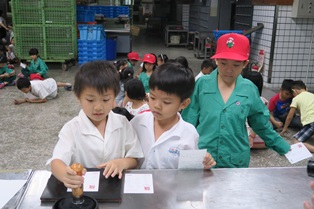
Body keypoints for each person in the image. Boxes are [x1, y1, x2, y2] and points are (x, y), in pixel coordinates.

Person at [181, 33, 290, 168]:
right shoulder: (202, 85)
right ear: (216, 60)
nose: (228, 70)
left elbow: (260, 124)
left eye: (236, 65)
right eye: (223, 63)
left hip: (236, 160)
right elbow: (187, 122)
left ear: (245, 63)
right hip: (204, 157)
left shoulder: (249, 90)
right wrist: (182, 154)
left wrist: (285, 147)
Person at [46, 61, 143, 189]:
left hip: (115, 189)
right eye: (90, 100)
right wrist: (65, 175)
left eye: (105, 99)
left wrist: (121, 163)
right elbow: (56, 162)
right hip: (84, 190)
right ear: (78, 96)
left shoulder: (122, 123)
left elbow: (134, 158)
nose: (98, 107)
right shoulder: (72, 128)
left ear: (115, 96)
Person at [131, 62, 216, 169]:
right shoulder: (137, 123)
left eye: (166, 102)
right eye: (152, 98)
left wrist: (203, 163)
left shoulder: (188, 134)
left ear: (183, 104)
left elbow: (190, 172)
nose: (157, 106)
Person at [280, 80, 314, 152]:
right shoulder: (312, 95)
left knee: (296, 142)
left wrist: (284, 128)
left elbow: (289, 116)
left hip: (311, 123)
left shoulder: (296, 99)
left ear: (294, 91)